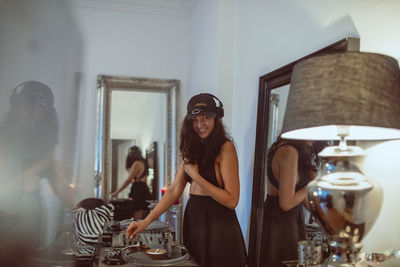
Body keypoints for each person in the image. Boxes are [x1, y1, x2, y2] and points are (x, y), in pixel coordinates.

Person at [126, 93, 247, 267]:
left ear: (217, 119)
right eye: (195, 119)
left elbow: (232, 200)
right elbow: (175, 190)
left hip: (219, 223)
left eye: (206, 118)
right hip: (194, 218)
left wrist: (197, 177)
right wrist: (145, 222)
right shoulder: (192, 148)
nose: (200, 124)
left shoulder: (225, 148)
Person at [0, 81, 77, 264]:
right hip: (5, 221)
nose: (32, 114)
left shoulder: (42, 145)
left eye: (38, 110)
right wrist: (36, 168)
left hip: (32, 221)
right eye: (27, 107)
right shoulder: (3, 140)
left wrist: (92, 210)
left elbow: (64, 190)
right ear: (17, 109)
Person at [260, 135, 328, 266]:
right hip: (279, 225)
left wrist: (324, 221)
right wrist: (312, 184)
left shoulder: (298, 152)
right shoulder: (288, 152)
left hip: (291, 221)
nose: (315, 137)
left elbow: (302, 198)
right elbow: (286, 203)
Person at [110, 146, 151, 220]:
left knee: (137, 216)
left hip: (138, 190)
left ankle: (137, 230)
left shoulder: (137, 163)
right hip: (142, 188)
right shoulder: (143, 162)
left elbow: (128, 180)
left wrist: (116, 192)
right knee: (140, 214)